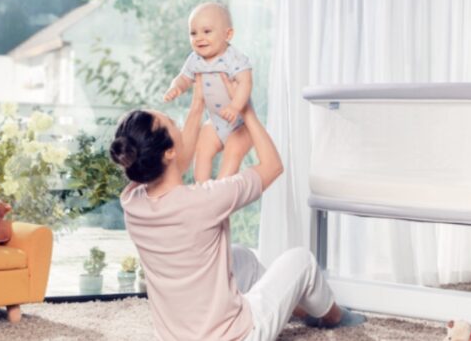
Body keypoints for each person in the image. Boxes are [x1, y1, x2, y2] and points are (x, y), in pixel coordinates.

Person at [111, 75, 362, 341]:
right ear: (168, 153)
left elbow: (173, 167)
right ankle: (332, 316)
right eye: (173, 124)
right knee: (301, 260)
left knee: (241, 258)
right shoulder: (204, 200)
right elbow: (272, 166)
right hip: (235, 335)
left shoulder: (132, 200)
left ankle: (295, 308)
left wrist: (198, 105)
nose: (178, 126)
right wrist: (248, 112)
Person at [162, 2, 254, 182]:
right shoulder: (195, 59)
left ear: (227, 34)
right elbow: (184, 77)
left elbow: (246, 82)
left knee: (232, 153)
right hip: (215, 122)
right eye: (193, 33)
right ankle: (201, 189)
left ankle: (220, 191)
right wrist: (176, 87)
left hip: (240, 125)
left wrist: (235, 107)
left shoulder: (233, 58)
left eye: (206, 31)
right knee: (202, 150)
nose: (199, 38)